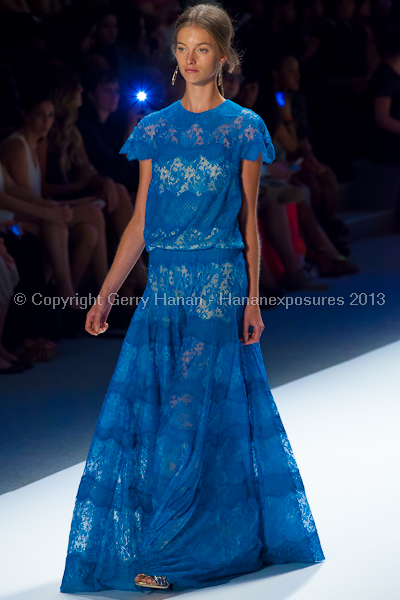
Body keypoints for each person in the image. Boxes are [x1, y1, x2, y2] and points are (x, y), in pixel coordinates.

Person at [60, 3, 325, 594]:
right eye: (181, 48)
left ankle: (170, 556)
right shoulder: (154, 129)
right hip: (165, 287)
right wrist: (104, 296)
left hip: (217, 283)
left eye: (201, 48)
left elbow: (251, 221)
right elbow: (138, 223)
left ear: (224, 57)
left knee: (186, 414)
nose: (189, 58)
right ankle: (202, 536)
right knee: (156, 416)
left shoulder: (243, 127)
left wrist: (253, 299)